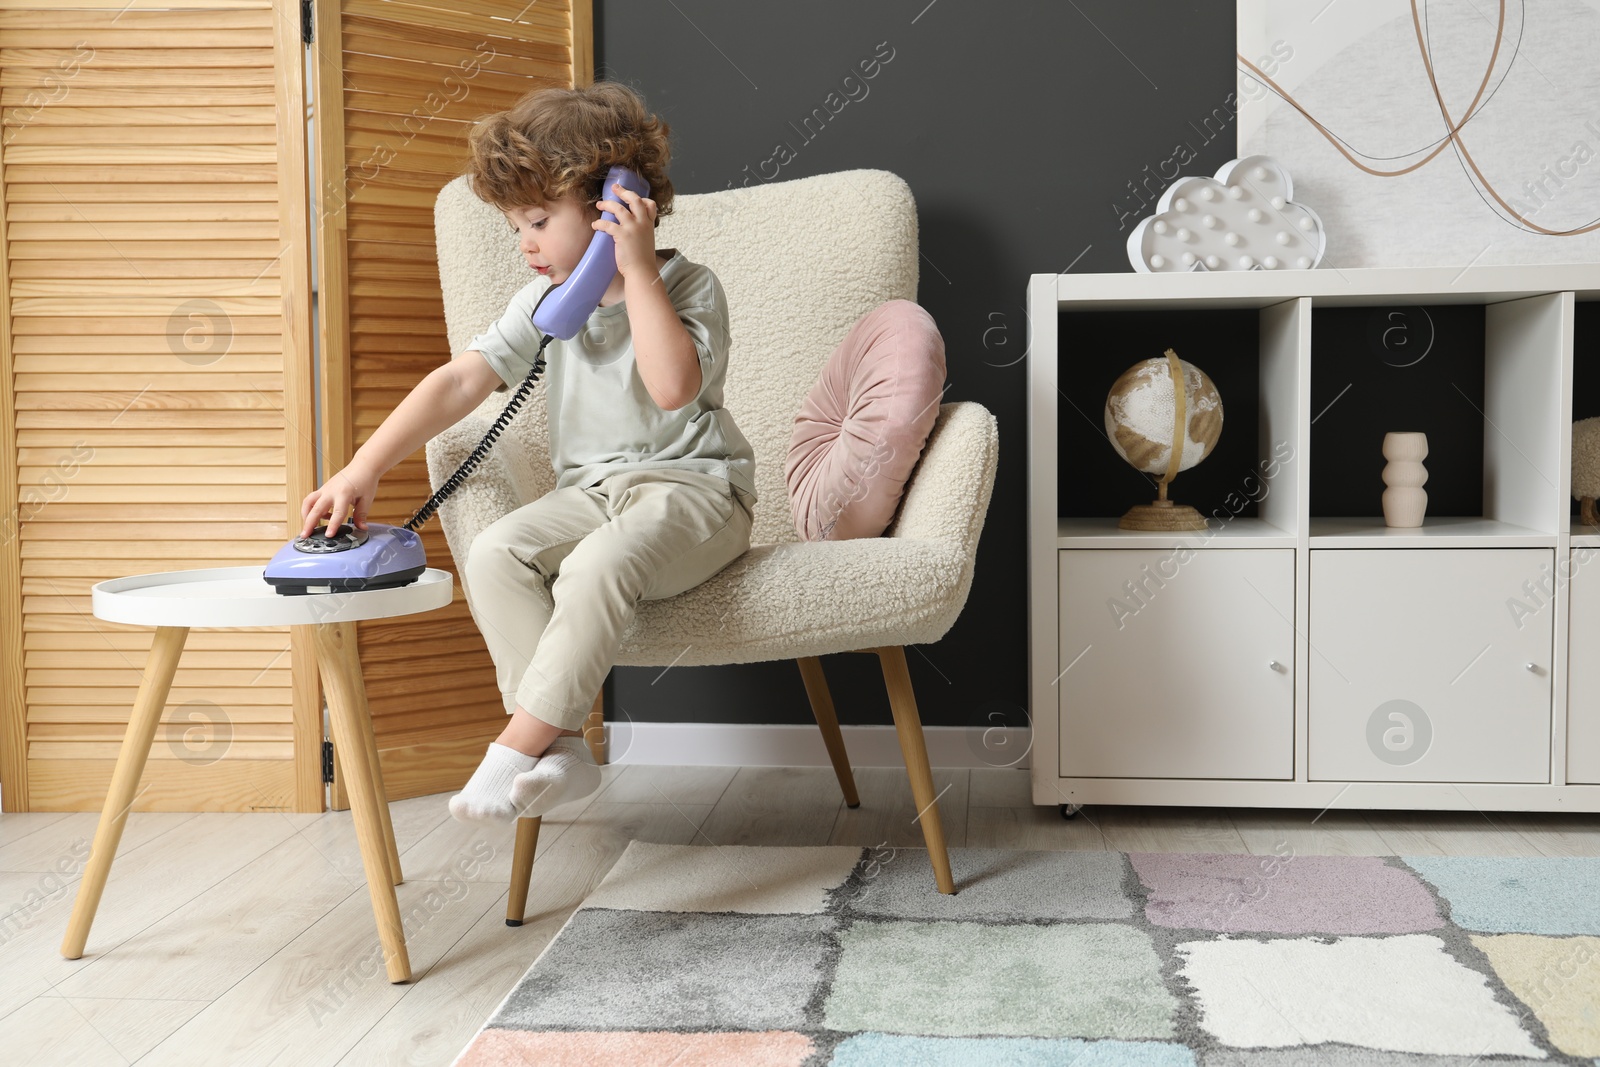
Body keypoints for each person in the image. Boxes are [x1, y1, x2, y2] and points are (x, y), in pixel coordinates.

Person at [298, 81, 758, 823]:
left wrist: (633, 268)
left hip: (694, 491)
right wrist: (365, 465)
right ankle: (563, 747)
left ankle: (514, 746)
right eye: (517, 226)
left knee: (598, 561)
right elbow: (459, 381)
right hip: (593, 494)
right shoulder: (542, 307)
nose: (526, 245)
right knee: (496, 551)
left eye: (539, 221)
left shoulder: (686, 286)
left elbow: (673, 388)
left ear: (617, 202)